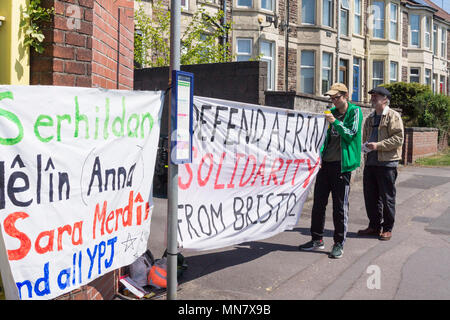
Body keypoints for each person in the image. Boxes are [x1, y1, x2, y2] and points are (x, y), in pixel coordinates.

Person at [299, 83, 363, 259]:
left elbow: (351, 133)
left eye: (336, 97)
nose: (333, 101)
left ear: (345, 96)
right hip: (326, 164)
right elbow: (322, 139)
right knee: (318, 203)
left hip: (342, 165)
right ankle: (317, 239)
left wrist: (336, 123)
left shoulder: (354, 112)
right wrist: (318, 157)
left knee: (339, 206)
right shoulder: (331, 113)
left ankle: (338, 243)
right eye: (331, 98)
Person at [358, 86, 404, 241]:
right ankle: (374, 226)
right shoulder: (370, 118)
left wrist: (378, 145)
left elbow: (398, 138)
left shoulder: (393, 116)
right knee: (370, 197)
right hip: (370, 162)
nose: (372, 98)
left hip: (387, 164)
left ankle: (387, 228)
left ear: (385, 99)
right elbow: (365, 137)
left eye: (376, 96)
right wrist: (364, 147)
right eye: (372, 96)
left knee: (387, 198)